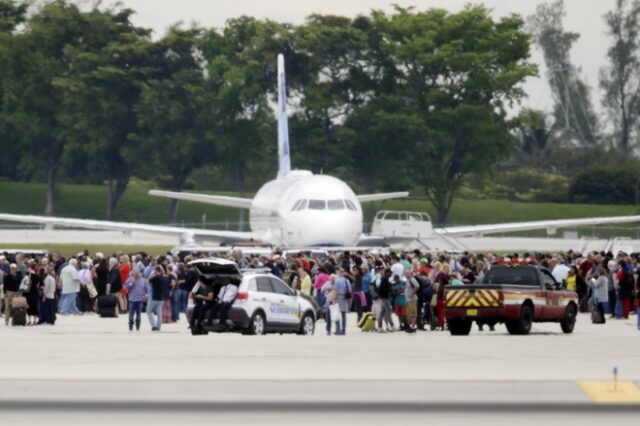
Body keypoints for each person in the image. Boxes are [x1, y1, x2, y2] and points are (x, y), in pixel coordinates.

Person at [147, 266, 167, 331]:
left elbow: (147, 281)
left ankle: (154, 325)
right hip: (161, 297)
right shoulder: (164, 278)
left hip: (154, 297)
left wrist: (151, 275)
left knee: (149, 311)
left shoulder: (154, 278)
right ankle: (159, 326)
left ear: (156, 271)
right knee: (159, 312)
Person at [334, 268, 352, 335]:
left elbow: (336, 290)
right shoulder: (346, 280)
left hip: (339, 296)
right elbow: (350, 290)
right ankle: (343, 330)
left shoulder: (337, 280)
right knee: (343, 314)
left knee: (337, 313)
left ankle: (338, 329)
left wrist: (334, 298)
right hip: (345, 297)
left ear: (339, 273)